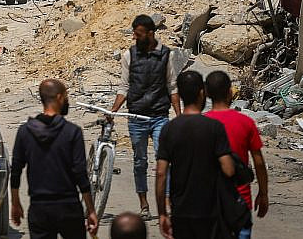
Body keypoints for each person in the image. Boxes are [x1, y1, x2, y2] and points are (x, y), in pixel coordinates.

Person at [109, 14, 184, 220]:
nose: (134, 37)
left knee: (164, 159)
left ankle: (166, 202)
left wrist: (179, 116)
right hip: (136, 117)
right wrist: (113, 111)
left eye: (138, 34)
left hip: (160, 116)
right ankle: (144, 204)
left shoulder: (166, 55)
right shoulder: (129, 56)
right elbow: (124, 86)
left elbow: (172, 86)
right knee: (140, 161)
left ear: (150, 34)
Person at [10, 79, 99, 239]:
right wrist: (91, 209)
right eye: (66, 96)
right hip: (69, 206)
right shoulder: (72, 132)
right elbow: (80, 173)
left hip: (39, 207)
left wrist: (15, 203)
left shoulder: (25, 132)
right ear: (59, 98)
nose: (67, 101)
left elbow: (16, 170)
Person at [155, 71, 237, 239]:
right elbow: (228, 169)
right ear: (202, 93)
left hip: (180, 210)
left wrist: (162, 213)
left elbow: (161, 173)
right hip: (210, 210)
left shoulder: (169, 129)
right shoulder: (214, 128)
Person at [205, 71, 269, 238]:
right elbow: (259, 162)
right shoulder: (246, 122)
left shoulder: (200, 124)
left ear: (207, 94)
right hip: (240, 200)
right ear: (229, 92)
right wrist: (263, 194)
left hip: (210, 201)